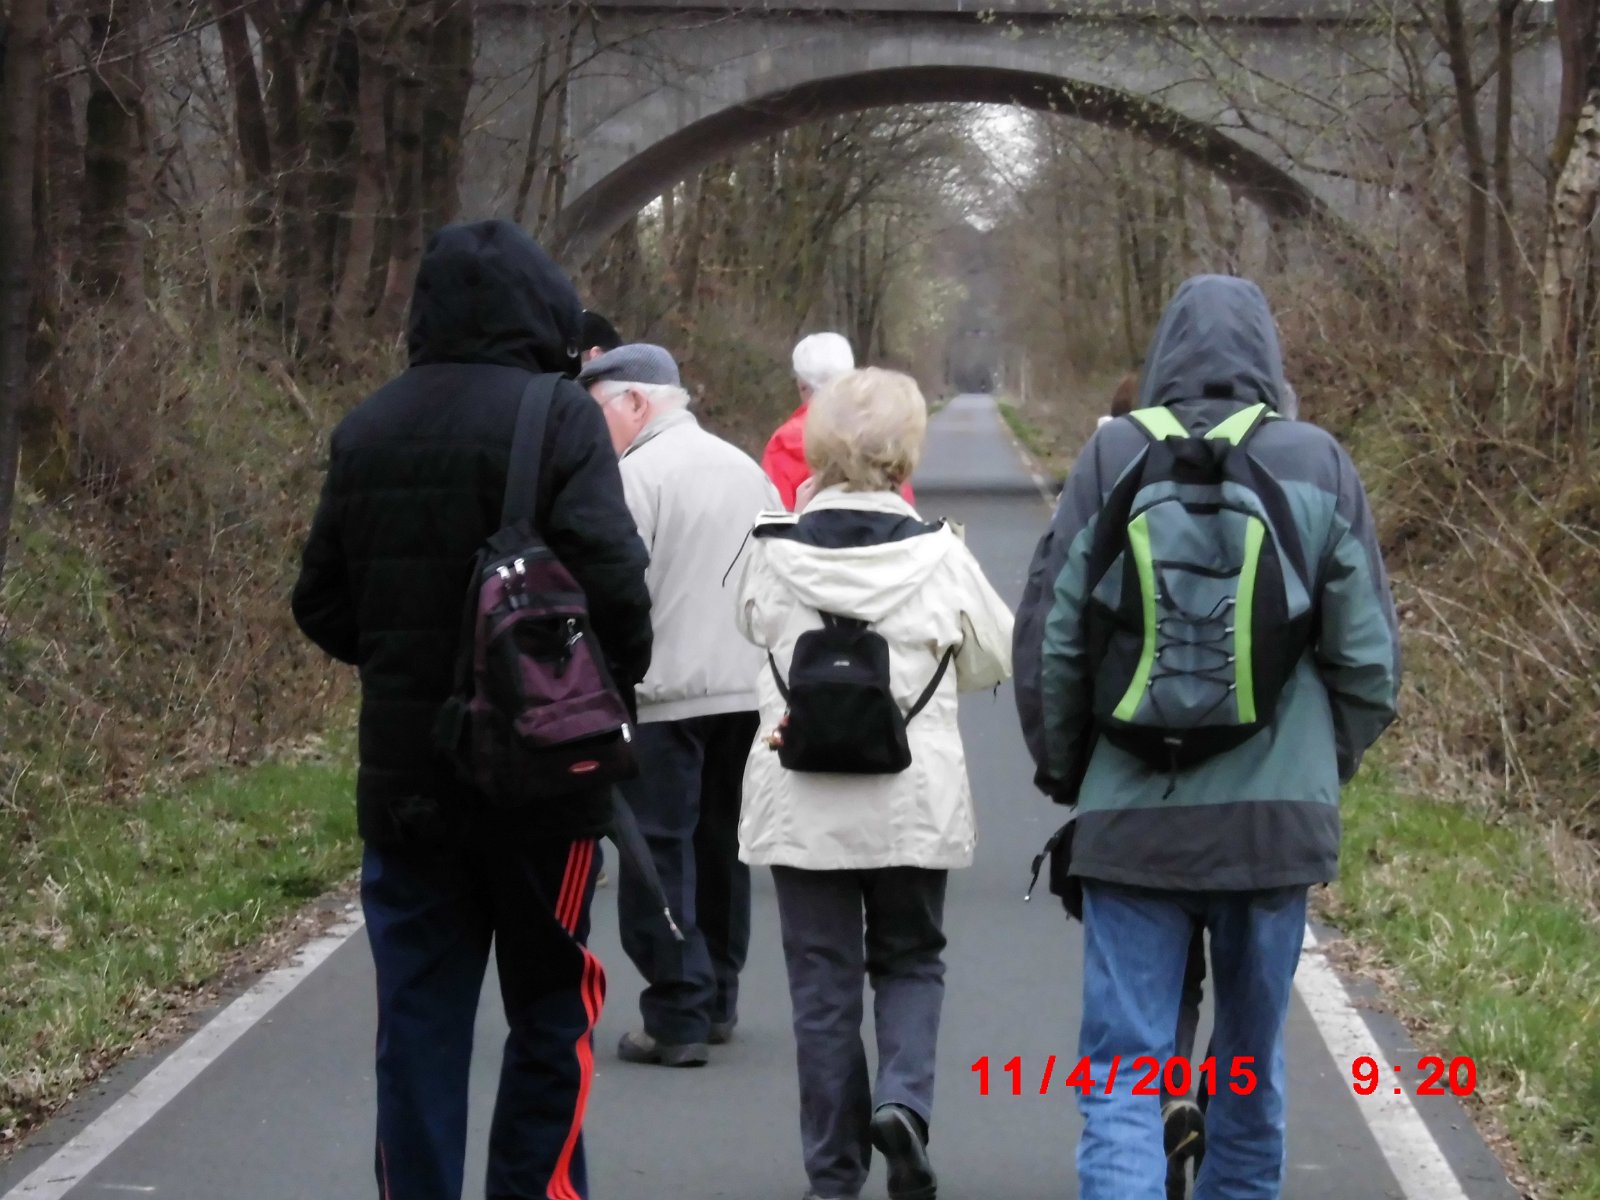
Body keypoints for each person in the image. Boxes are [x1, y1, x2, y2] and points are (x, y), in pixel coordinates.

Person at [1013, 275, 1400, 1200]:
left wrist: (1071, 771)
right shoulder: (1318, 462)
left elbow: (1055, 642)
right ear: (1269, 356)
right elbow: (1368, 662)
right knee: (1248, 1072)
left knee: (1123, 1075)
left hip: (1131, 821)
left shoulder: (1112, 457)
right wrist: (1319, 767)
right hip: (1274, 827)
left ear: (1162, 356)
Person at [290, 219, 653, 1200]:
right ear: (541, 308)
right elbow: (617, 587)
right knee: (551, 1007)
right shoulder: (559, 416)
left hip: (408, 784)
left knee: (417, 1022)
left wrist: (410, 660)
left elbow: (318, 601)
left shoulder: (368, 426)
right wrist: (594, 688)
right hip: (545, 778)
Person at [737, 367, 1015, 1200]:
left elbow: (745, 627)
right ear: (907, 451)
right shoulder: (940, 553)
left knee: (821, 986)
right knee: (910, 959)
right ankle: (903, 1103)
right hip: (910, 801)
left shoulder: (770, 549)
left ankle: (833, 1174)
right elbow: (995, 654)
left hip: (802, 797)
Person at [577, 343, 781, 1068]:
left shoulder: (634, 476)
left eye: (596, 411)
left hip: (664, 695)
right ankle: (719, 996)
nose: (591, 429)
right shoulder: (747, 469)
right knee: (722, 846)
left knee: (656, 851)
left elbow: (615, 589)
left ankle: (676, 1012)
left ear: (635, 401)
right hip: (745, 691)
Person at [762, 332, 915, 510]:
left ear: (802, 386)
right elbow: (903, 502)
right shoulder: (878, 430)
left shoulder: (782, 444)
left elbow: (772, 511)